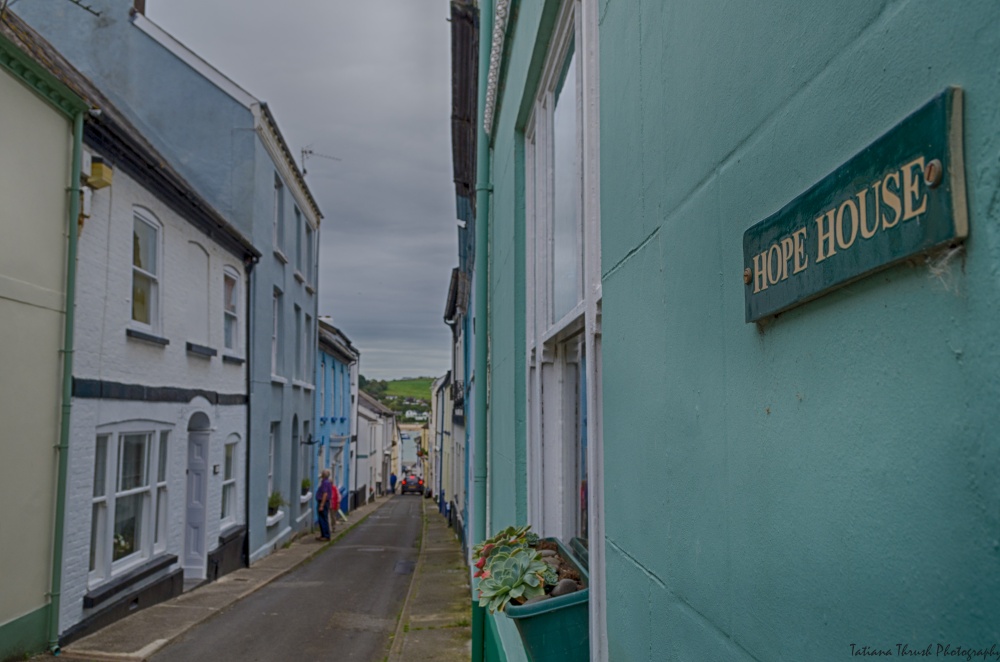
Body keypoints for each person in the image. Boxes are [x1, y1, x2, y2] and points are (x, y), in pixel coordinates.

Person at [316, 469, 333, 541]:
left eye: (322, 473)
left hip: (324, 503)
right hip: (325, 502)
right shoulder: (326, 482)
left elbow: (325, 494)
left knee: (323, 519)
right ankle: (323, 535)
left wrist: (321, 505)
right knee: (322, 519)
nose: (321, 475)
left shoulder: (325, 483)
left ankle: (326, 535)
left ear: (323, 475)